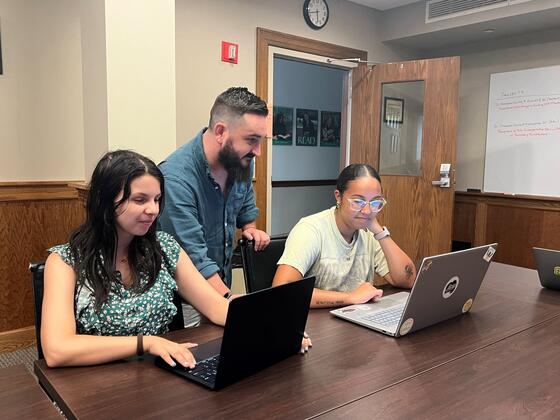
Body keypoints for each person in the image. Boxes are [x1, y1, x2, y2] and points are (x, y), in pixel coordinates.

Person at [41, 150, 230, 368]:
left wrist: (264, 322)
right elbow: (57, 350)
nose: (153, 210)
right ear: (105, 202)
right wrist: (145, 343)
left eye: (157, 200)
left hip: (160, 377)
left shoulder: (164, 247)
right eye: (140, 200)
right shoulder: (65, 261)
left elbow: (216, 307)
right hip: (93, 383)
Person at [158, 87, 270, 304]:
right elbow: (193, 258)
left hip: (220, 285)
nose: (258, 151)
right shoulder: (175, 179)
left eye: (261, 141)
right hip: (183, 300)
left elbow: (245, 203)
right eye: (251, 140)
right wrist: (231, 300)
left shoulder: (240, 160)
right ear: (220, 132)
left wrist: (250, 228)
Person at [272, 163, 416, 308]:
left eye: (375, 202)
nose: (366, 211)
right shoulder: (311, 229)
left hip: (357, 317)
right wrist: (350, 298)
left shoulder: (370, 232)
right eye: (358, 201)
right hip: (316, 323)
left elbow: (407, 280)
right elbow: (283, 290)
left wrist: (380, 232)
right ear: (339, 197)